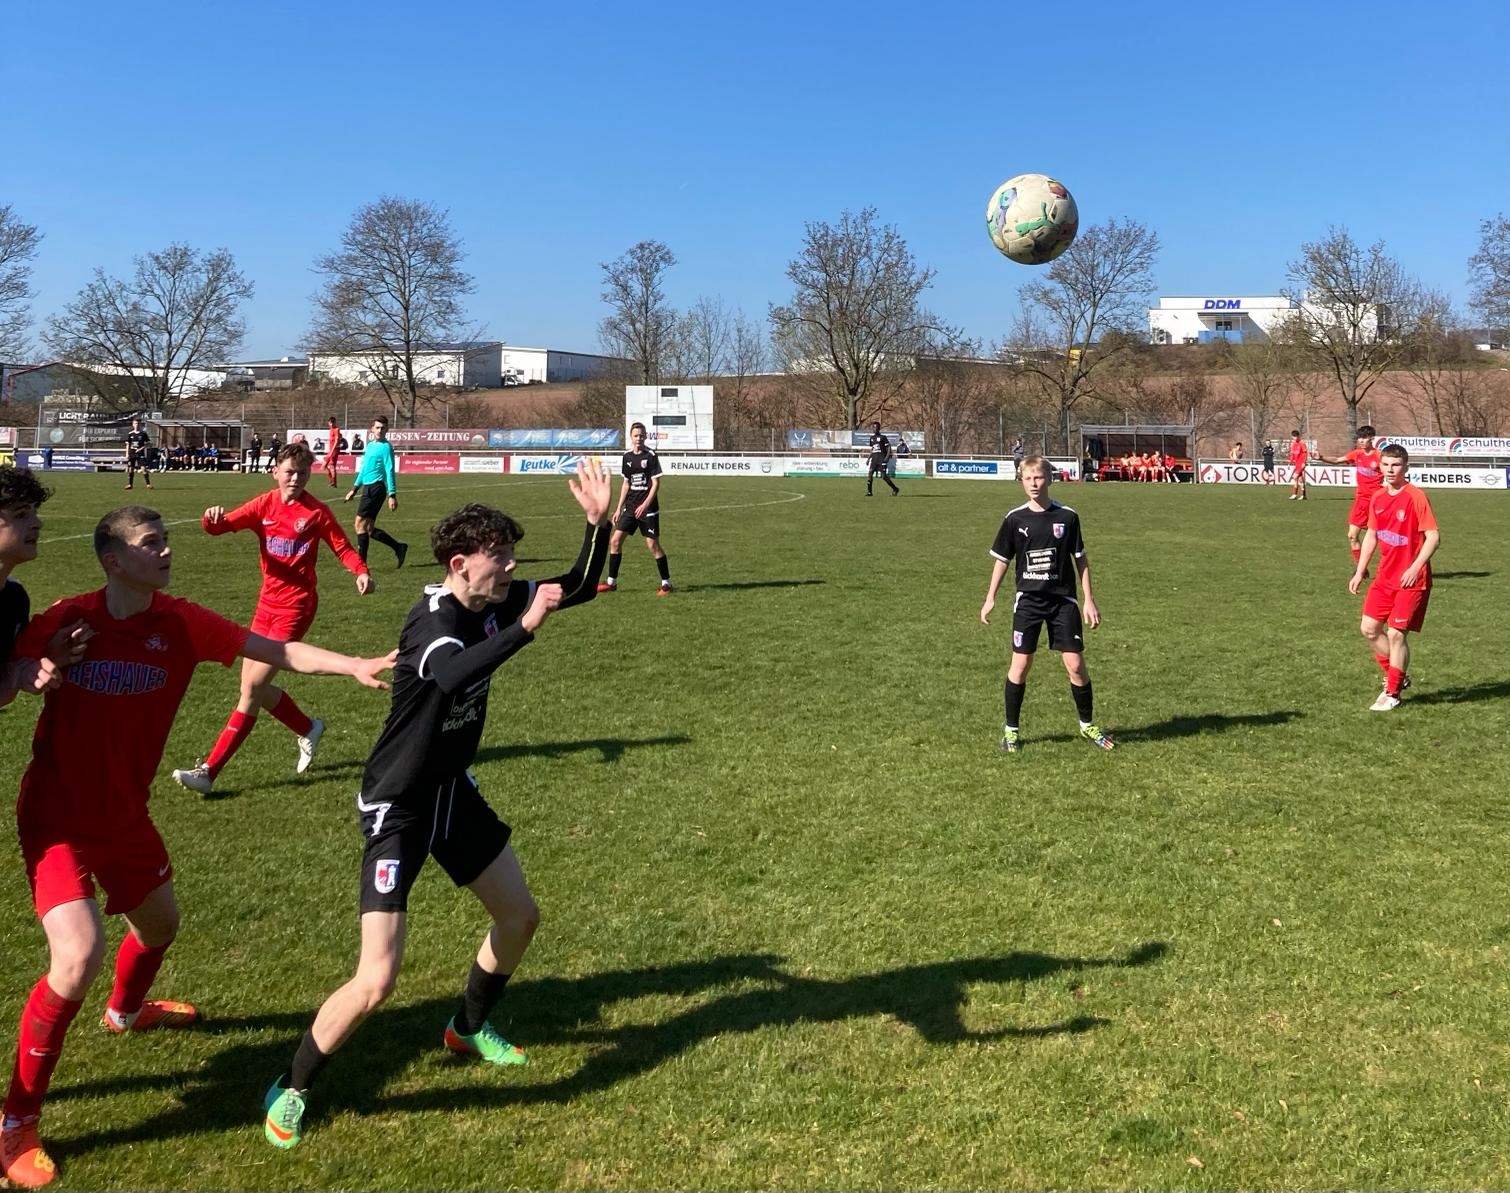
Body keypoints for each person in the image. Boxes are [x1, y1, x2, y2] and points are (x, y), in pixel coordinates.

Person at [0, 505, 393, 1189]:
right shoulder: (67, 617)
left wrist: (353, 663)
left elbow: (276, 651)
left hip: (126, 816)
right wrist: (34, 664)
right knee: (78, 953)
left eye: (165, 540)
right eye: (151, 543)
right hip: (57, 816)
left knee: (161, 925)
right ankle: (16, 1121)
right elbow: (5, 675)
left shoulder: (181, 623)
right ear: (113, 560)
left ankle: (125, 1013)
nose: (167, 551)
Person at [260, 461, 613, 1153]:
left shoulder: (490, 603)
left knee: (519, 917)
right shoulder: (434, 622)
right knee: (376, 980)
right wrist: (525, 628)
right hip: (399, 806)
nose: (511, 567)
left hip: (452, 791)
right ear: (461, 564)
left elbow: (573, 587)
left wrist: (596, 527)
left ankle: (467, 1026)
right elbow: (452, 674)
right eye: (499, 557)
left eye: (511, 555)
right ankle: (291, 1086)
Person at [170, 443, 373, 796]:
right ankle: (308, 728)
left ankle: (208, 772)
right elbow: (221, 527)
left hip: (296, 608)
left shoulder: (317, 512)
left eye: (302, 473)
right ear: (275, 472)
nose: (296, 479)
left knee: (252, 689)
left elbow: (342, 546)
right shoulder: (263, 505)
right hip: (266, 605)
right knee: (252, 688)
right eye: (290, 472)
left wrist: (361, 571)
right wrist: (210, 519)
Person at [979, 455, 1112, 753]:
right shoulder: (1015, 519)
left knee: (1075, 664)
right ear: (1021, 481)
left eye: (1038, 477)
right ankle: (1011, 731)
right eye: (1028, 479)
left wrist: (1089, 600)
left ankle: (1087, 725)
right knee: (1020, 664)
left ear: (1049, 478)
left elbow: (1081, 560)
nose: (1034, 483)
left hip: (1062, 601)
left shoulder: (1068, 516)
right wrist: (990, 598)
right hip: (1028, 601)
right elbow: (1002, 560)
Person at [1348, 444, 1439, 712]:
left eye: (1396, 465)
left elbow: (1433, 537)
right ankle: (1397, 674)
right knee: (1369, 629)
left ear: (1405, 467)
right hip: (1384, 578)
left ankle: (1393, 692)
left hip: (1412, 580)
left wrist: (1415, 567)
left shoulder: (1416, 497)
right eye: (1386, 464)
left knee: (1396, 634)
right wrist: (1360, 570)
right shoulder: (1377, 497)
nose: (1390, 470)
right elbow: (1372, 535)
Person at [0, 467, 89, 713]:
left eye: (34, 513)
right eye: (21, 514)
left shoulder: (14, 597)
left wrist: (26, 669)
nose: (37, 523)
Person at [598, 421, 673, 594]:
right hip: (630, 507)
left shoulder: (651, 456)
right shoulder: (627, 457)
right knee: (615, 541)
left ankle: (667, 584)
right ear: (631, 437)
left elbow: (656, 484)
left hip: (648, 509)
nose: (639, 438)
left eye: (641, 435)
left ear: (645, 436)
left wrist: (645, 504)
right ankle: (611, 583)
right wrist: (619, 508)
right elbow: (626, 483)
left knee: (652, 545)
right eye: (636, 435)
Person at [1311, 425, 1381, 569]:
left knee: (1382, 538)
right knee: (1352, 536)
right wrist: (1321, 458)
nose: (1361, 441)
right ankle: (1361, 568)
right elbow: (1337, 460)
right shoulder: (1356, 454)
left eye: (1364, 438)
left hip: (1377, 503)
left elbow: (1392, 473)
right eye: (1359, 438)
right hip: (1361, 501)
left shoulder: (1380, 456)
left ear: (1372, 438)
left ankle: (1394, 565)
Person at [343, 416, 407, 568]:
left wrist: (392, 494)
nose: (380, 430)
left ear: (387, 429)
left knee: (359, 525)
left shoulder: (386, 448)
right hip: (368, 487)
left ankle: (361, 565)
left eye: (383, 428)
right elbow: (364, 469)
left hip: (376, 488)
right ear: (372, 429)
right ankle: (399, 547)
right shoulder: (370, 446)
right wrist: (354, 489)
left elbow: (390, 470)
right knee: (369, 529)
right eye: (377, 427)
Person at [864, 422, 899, 497]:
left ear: (879, 428)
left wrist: (887, 457)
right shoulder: (872, 438)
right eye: (873, 427)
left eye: (876, 427)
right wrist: (868, 459)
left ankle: (895, 489)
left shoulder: (883, 437)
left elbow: (888, 447)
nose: (874, 429)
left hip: (881, 459)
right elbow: (873, 449)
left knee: (884, 477)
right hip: (874, 459)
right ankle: (869, 492)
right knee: (870, 474)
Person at [123, 419, 153, 491]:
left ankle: (148, 484)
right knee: (131, 469)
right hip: (132, 453)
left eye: (138, 423)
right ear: (133, 425)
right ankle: (130, 484)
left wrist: (141, 449)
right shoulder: (130, 434)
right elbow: (128, 444)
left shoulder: (143, 434)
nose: (136, 425)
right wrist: (127, 453)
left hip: (140, 453)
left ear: (139, 425)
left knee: (143, 469)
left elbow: (148, 443)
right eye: (135, 423)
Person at [1287, 430, 1309, 500]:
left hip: (1301, 464)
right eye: (1294, 436)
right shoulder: (1293, 444)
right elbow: (1292, 454)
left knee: (1295, 477)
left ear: (1298, 436)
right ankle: (1303, 495)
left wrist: (1304, 462)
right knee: (1300, 479)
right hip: (1296, 464)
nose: (1295, 438)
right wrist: (1289, 463)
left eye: (1296, 436)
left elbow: (1305, 453)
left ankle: (1295, 494)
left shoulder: (1302, 443)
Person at [322, 417, 342, 488]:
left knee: (332, 466)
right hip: (331, 450)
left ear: (335, 422)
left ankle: (334, 482)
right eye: (330, 423)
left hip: (334, 450)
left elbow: (336, 441)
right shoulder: (331, 429)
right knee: (324, 466)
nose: (331, 424)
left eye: (332, 423)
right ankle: (332, 481)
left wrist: (331, 451)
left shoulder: (336, 429)